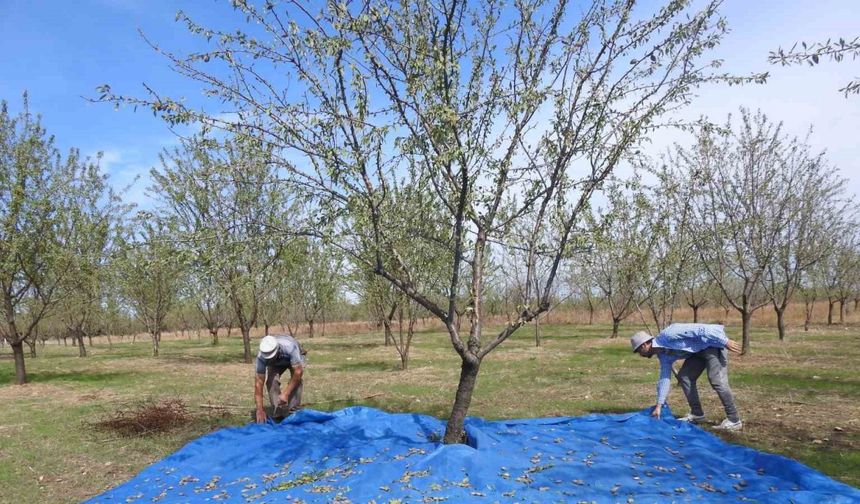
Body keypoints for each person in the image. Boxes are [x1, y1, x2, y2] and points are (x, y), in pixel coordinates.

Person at [630, 323, 743, 431]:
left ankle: (734, 420)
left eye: (638, 351)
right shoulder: (663, 356)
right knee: (685, 377)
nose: (640, 355)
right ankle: (697, 414)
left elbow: (702, 330)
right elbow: (664, 379)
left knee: (716, 380)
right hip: (698, 352)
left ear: (644, 345)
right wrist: (659, 405)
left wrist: (724, 341)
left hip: (712, 345)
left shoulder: (669, 334)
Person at [253, 334, 306, 423]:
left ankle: (293, 412)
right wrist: (260, 409)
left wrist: (286, 393)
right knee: (271, 380)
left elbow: (298, 372)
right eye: (268, 358)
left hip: (292, 358)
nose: (270, 359)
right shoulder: (261, 358)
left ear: (277, 350)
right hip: (276, 364)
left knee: (297, 380)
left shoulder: (290, 347)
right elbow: (258, 384)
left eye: (271, 356)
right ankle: (277, 411)